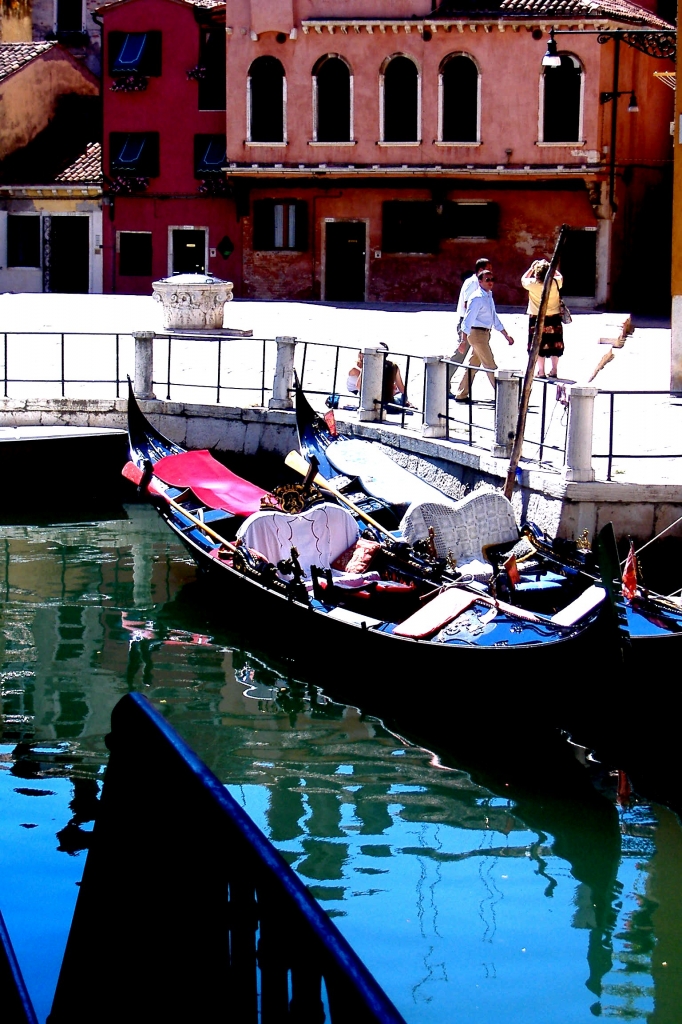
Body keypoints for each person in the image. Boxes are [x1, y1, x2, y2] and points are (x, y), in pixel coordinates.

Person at [455, 269, 514, 401]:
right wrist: (463, 340)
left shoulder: (488, 296)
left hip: (484, 333)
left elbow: (494, 318)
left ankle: (461, 393)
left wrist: (506, 335)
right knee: (490, 365)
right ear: (480, 281)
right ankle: (505, 396)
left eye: (492, 279)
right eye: (487, 280)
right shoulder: (477, 298)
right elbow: (467, 320)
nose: (490, 282)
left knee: (473, 365)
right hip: (476, 334)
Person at [521, 259, 564, 378]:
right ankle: (554, 370)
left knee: (538, 344)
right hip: (554, 317)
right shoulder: (555, 282)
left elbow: (523, 279)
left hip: (536, 318)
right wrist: (552, 267)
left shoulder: (532, 284)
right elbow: (560, 276)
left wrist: (531, 268)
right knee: (555, 343)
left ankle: (541, 371)